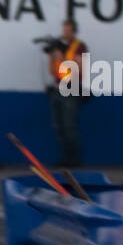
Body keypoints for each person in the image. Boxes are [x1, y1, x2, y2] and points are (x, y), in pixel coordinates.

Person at [46, 19, 88, 168]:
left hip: (71, 88)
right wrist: (52, 55)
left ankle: (75, 160)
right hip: (57, 88)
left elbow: (79, 70)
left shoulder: (79, 47)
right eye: (64, 30)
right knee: (59, 126)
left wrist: (61, 57)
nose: (65, 33)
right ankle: (65, 158)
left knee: (69, 126)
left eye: (68, 30)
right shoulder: (59, 47)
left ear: (73, 31)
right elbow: (52, 71)